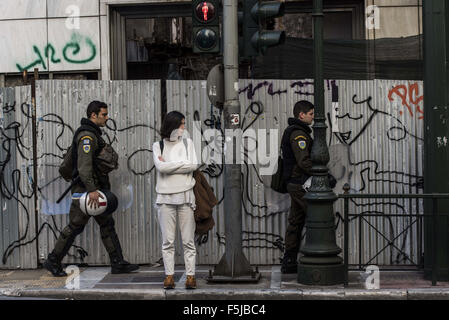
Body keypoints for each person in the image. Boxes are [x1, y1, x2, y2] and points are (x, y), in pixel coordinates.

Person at [43, 101, 139, 276]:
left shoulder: (93, 134)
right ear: (93, 115)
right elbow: (84, 167)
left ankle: (118, 262)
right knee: (75, 226)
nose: (107, 117)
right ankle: (53, 260)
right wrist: (93, 190)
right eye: (104, 114)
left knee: (107, 224)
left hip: (95, 190)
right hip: (86, 191)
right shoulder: (87, 137)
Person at [153, 111, 199, 290]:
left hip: (186, 197)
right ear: (172, 126)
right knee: (168, 241)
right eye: (181, 124)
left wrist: (170, 166)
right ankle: (169, 276)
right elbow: (160, 168)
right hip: (165, 198)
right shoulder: (158, 146)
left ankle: (190, 276)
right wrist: (182, 164)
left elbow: (194, 165)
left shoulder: (188, 143)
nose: (184, 128)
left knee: (188, 241)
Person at [280, 100, 314, 274]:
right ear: (301, 115)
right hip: (299, 182)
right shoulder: (298, 134)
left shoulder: (296, 131)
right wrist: (322, 174)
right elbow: (303, 161)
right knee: (317, 218)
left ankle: (289, 260)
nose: (313, 117)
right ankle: (314, 258)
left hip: (295, 183)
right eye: (311, 114)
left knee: (296, 221)